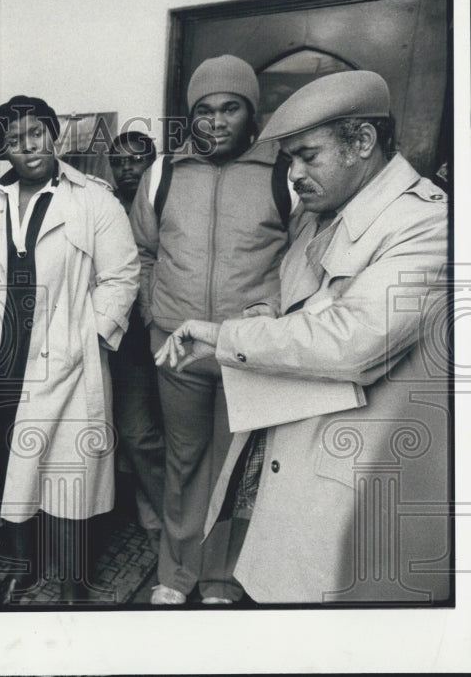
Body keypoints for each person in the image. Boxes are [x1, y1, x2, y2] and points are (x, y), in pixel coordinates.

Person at [156, 70, 449, 603]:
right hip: (296, 446)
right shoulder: (323, 213)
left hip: (356, 471)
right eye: (289, 158)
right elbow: (288, 297)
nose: (293, 175)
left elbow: (356, 339)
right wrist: (255, 316)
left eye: (307, 156)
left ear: (361, 142)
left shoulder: (427, 224)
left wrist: (228, 337)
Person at [0, 95, 139, 604]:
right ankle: (21, 569)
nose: (26, 146)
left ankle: (72, 578)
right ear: (2, 150)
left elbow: (121, 276)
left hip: (67, 359)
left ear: (53, 135)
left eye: (35, 133)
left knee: (68, 470)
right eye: (13, 140)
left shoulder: (94, 199)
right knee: (9, 462)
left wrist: (90, 337)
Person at [129, 55, 291, 605]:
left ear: (251, 112)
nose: (216, 121)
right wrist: (157, 315)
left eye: (230, 108)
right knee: (184, 461)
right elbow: (143, 254)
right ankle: (177, 575)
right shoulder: (162, 174)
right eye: (204, 111)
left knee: (236, 468)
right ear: (190, 117)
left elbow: (301, 262)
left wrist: (270, 312)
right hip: (178, 349)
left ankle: (220, 578)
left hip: (251, 351)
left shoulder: (283, 173)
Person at [105, 131, 165, 550]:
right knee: (136, 432)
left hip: (167, 330)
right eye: (119, 161)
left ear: (152, 164)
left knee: (172, 433)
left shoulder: (168, 204)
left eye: (136, 160)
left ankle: (172, 520)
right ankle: (159, 517)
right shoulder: (103, 208)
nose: (127, 169)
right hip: (123, 342)